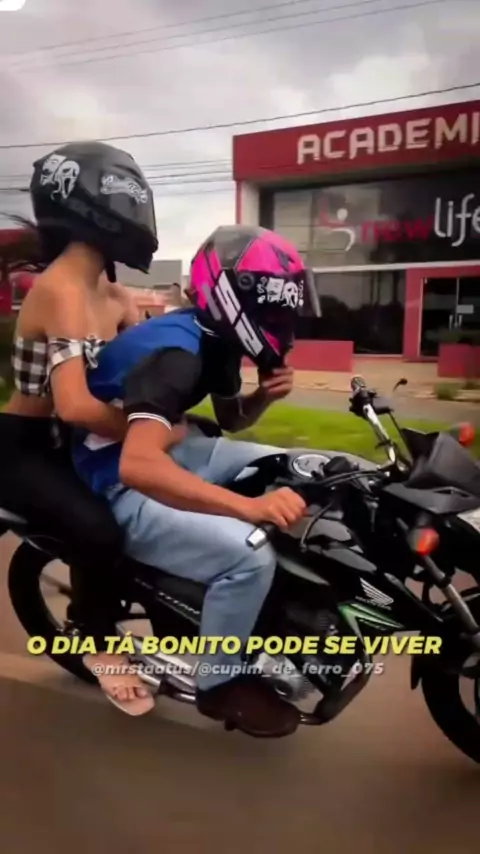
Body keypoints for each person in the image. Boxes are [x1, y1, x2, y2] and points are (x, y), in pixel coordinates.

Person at [71, 224, 320, 738]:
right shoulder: (176, 355)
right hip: (117, 480)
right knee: (248, 556)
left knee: (290, 462)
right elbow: (138, 466)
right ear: (231, 296)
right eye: (273, 310)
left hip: (173, 450)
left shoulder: (218, 339)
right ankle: (219, 684)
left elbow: (232, 420)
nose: (282, 322)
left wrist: (264, 396)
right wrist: (247, 508)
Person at [0, 140, 160, 715]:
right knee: (99, 530)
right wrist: (149, 432)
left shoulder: (115, 295)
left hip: (77, 443)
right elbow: (73, 406)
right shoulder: (60, 290)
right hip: (24, 448)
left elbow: (146, 375)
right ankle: (95, 636)